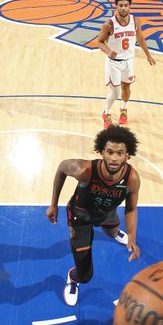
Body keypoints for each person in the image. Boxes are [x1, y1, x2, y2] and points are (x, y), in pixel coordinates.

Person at [46, 127, 141, 307]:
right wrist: (53, 204)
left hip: (106, 212)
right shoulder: (84, 170)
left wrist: (132, 238)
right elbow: (61, 168)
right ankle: (73, 279)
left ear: (127, 155)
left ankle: (114, 233)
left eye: (119, 153)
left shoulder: (132, 179)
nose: (114, 158)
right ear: (102, 152)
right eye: (109, 152)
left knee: (113, 229)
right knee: (86, 275)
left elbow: (130, 209)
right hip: (80, 217)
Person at [97, 0, 156, 130]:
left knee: (127, 88)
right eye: (120, 5)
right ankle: (107, 113)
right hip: (114, 62)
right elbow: (99, 42)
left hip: (129, 61)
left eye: (126, 5)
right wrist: (108, 51)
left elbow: (140, 39)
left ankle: (124, 109)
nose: (123, 8)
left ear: (130, 6)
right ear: (116, 6)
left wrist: (148, 55)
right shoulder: (109, 24)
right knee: (116, 92)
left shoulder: (135, 22)